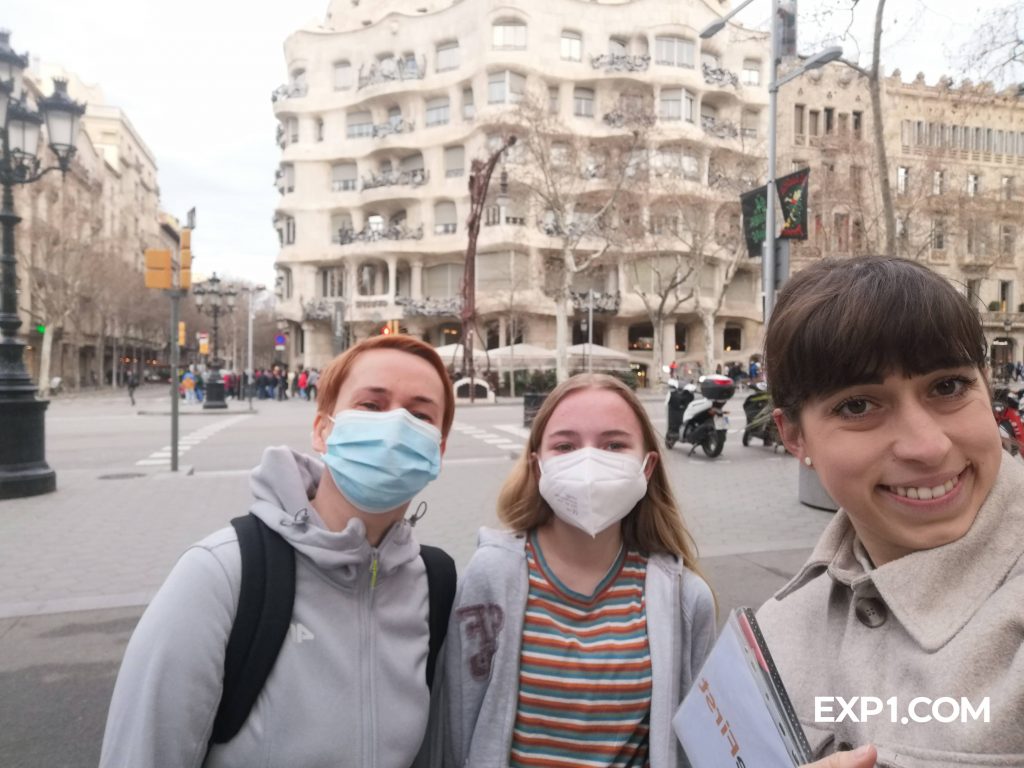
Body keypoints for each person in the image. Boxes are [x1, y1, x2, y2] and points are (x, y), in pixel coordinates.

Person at [100, 335, 457, 767]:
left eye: (419, 414)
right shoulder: (222, 574)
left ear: (437, 450)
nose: (396, 425)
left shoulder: (434, 585)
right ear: (323, 431)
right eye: (371, 405)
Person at [758, 256, 1024, 766]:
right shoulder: (775, 630)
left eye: (948, 386)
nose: (926, 446)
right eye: (858, 406)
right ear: (794, 436)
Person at [444, 373, 716, 767]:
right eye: (566, 446)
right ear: (538, 466)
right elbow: (456, 723)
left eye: (614, 445)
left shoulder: (685, 599)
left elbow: (695, 745)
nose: (588, 461)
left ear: (647, 466)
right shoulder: (491, 575)